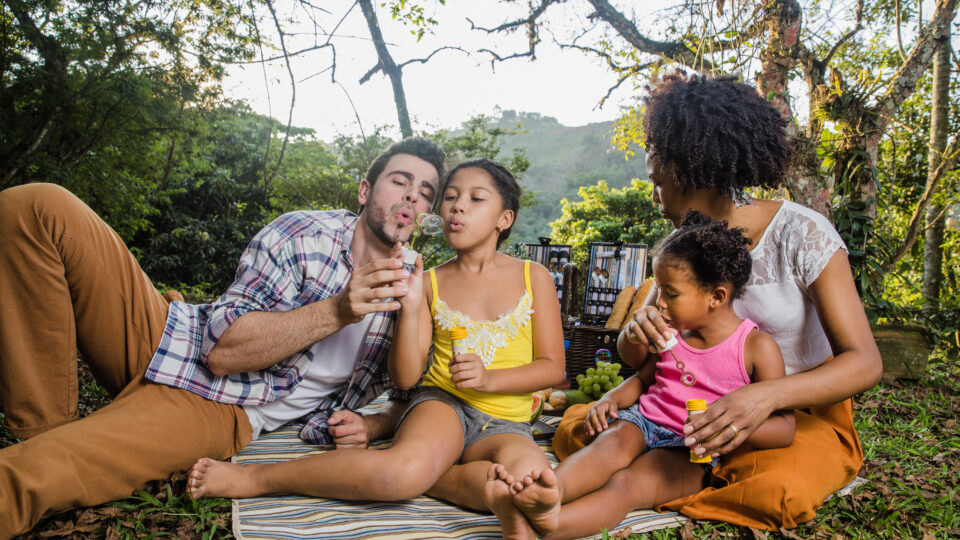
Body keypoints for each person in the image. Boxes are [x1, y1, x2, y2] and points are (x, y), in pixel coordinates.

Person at [0, 136, 446, 539]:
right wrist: (337, 310)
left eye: (425, 192)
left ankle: (48, 451)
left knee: (31, 476)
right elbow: (222, 351)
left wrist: (372, 424)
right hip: (173, 334)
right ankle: (44, 428)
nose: (412, 194)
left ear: (426, 217)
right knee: (38, 207)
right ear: (366, 191)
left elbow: (412, 392)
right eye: (400, 181)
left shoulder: (417, 290)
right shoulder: (304, 235)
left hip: (222, 406)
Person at [552, 71, 883, 531]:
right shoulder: (681, 247)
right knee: (583, 430)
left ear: (691, 171)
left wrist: (761, 397)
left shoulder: (802, 234)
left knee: (777, 488)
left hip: (788, 413)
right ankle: (664, 468)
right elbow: (636, 359)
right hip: (685, 407)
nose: (654, 197)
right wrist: (635, 332)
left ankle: (673, 471)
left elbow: (864, 362)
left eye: (658, 181)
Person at [186, 159, 566, 518]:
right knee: (399, 474)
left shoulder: (534, 277)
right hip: (442, 407)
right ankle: (258, 478)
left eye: (475, 198)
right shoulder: (428, 280)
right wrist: (413, 307)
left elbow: (552, 368)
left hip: (508, 423)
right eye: (450, 197)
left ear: (505, 218)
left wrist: (489, 380)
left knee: (534, 485)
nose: (457, 207)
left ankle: (436, 477)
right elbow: (405, 378)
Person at [487, 211, 796, 539]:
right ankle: (548, 493)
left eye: (670, 293)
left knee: (628, 485)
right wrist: (610, 399)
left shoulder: (756, 348)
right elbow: (643, 380)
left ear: (716, 297)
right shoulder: (670, 333)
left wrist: (725, 423)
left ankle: (548, 528)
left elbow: (785, 429)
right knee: (608, 446)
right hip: (643, 422)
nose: (659, 303)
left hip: (692, 449)